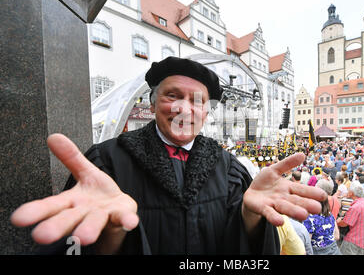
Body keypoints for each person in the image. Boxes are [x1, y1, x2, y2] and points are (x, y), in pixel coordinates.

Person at [10, 57, 327, 255]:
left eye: (197, 100)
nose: (184, 109)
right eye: (172, 96)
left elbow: (247, 251)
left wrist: (250, 215)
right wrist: (114, 232)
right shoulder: (107, 162)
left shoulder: (229, 169)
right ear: (152, 103)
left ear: (206, 112)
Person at [337, 182, 364, 255]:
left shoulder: (355, 207)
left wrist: (338, 222)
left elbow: (345, 223)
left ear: (351, 193)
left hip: (353, 239)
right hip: (363, 238)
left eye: (348, 190)